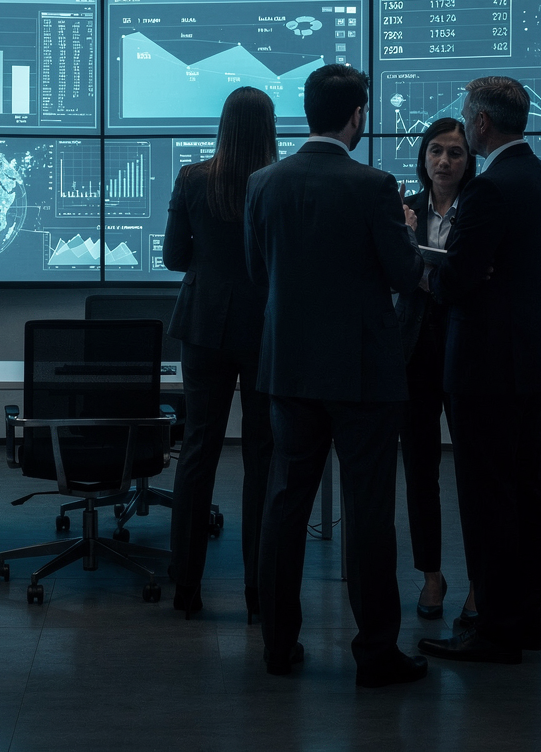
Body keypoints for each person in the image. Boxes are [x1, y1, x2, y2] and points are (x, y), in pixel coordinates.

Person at [245, 63, 431, 689]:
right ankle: (375, 653)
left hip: (288, 370)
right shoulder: (375, 186)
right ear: (358, 115)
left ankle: (277, 643)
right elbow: (405, 278)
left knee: (284, 506)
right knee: (368, 512)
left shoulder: (264, 183)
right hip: (362, 375)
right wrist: (406, 235)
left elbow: (257, 272)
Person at [418, 76, 541, 666]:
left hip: (486, 364)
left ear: (481, 124)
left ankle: (494, 631)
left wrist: (429, 270)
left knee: (488, 500)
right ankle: (524, 620)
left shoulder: (490, 191)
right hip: (538, 359)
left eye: (465, 118)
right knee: (529, 491)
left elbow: (457, 283)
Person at [163, 86, 278, 621]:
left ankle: (184, 589)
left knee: (196, 454)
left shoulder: (192, 178)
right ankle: (260, 592)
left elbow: (172, 257)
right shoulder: (277, 182)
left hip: (204, 325)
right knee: (262, 459)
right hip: (265, 329)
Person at [394, 118, 476, 625]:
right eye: (436, 151)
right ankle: (431, 575)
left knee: (473, 471)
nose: (444, 161)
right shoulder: (407, 210)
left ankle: (480, 581)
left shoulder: (480, 209)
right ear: (423, 156)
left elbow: (476, 277)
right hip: (413, 352)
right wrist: (406, 240)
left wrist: (431, 276)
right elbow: (396, 273)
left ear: (469, 162)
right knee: (421, 469)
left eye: (455, 153)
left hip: (466, 350)